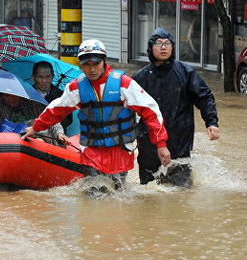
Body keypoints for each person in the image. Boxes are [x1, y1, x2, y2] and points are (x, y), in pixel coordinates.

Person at [22, 39, 171, 192]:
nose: (92, 69)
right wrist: (35, 128)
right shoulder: (76, 88)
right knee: (93, 195)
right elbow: (56, 110)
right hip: (91, 151)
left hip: (119, 150)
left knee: (118, 196)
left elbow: (151, 111)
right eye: (86, 65)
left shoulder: (124, 84)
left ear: (104, 61)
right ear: (81, 65)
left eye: (96, 64)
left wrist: (161, 144)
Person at [132, 27, 220, 187]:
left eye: (167, 43)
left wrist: (211, 122)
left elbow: (204, 96)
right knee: (148, 191)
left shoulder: (186, 73)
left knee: (181, 190)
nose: (163, 47)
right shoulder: (140, 78)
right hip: (149, 142)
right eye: (159, 43)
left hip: (179, 140)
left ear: (173, 47)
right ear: (151, 48)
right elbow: (126, 108)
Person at [0, 93, 67, 145]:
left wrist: (59, 133)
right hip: (12, 139)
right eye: (7, 96)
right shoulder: (0, 105)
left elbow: (51, 118)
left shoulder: (34, 103)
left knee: (39, 142)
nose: (10, 99)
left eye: (14, 96)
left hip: (40, 136)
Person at [32, 60, 73, 131]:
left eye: (47, 77)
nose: (44, 81)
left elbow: (68, 121)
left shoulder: (61, 95)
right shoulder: (28, 94)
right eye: (40, 77)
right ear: (33, 77)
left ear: (52, 77)